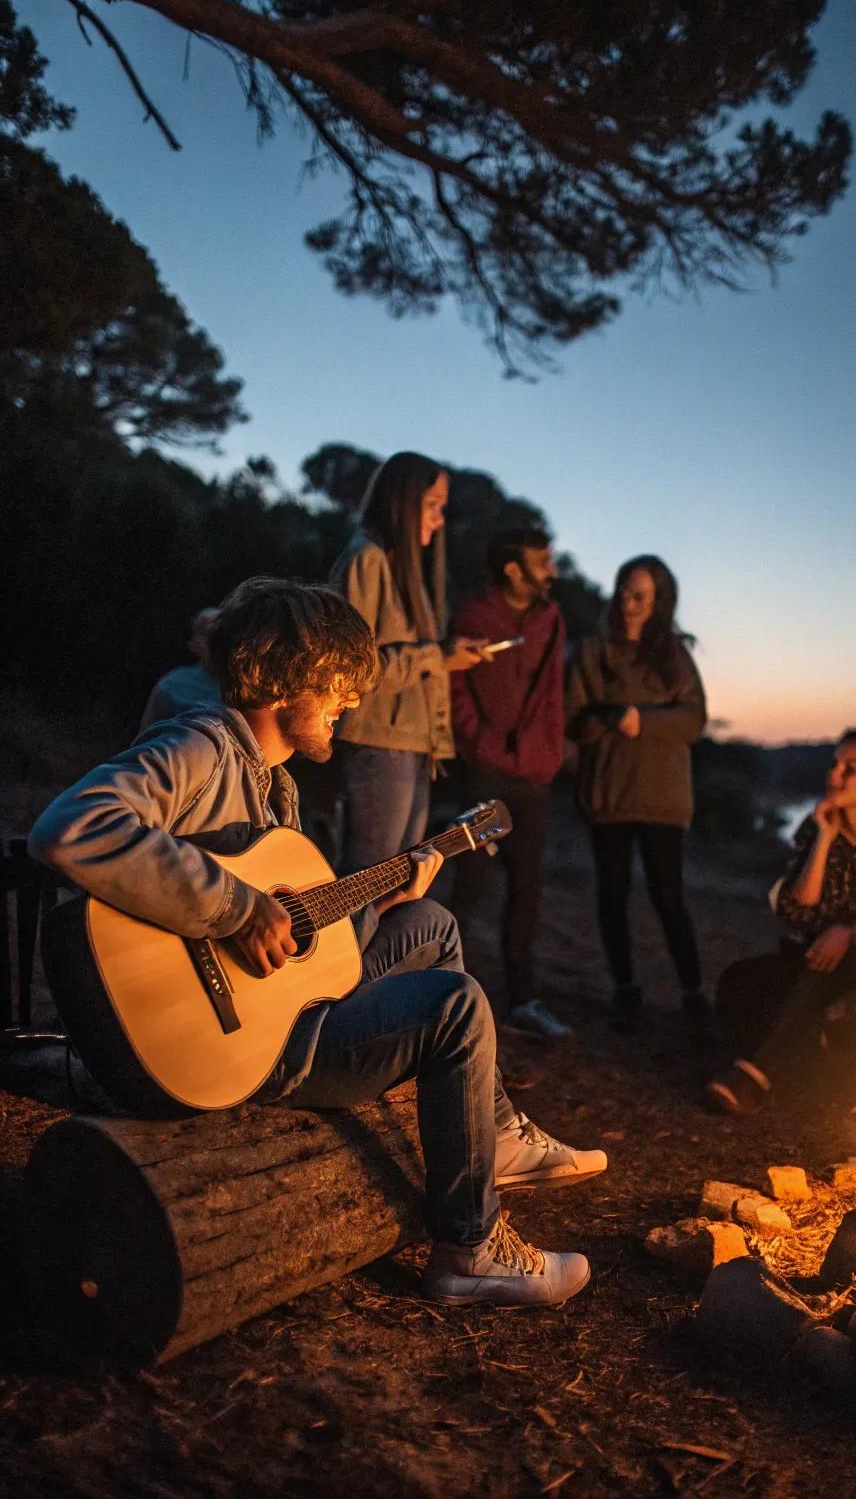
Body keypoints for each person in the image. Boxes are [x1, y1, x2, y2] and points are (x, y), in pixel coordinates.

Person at [30, 577, 605, 1307]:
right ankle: (469, 1247)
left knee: (429, 925)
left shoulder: (275, 787)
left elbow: (301, 946)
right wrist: (235, 906)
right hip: (223, 1043)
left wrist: (382, 893)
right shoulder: (203, 745)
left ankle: (497, 1135)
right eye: (339, 685)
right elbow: (71, 827)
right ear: (286, 680)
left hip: (274, 1008)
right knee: (455, 1007)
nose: (351, 703)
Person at [707, 726, 856, 1114]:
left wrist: (851, 932)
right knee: (739, 981)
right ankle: (796, 1061)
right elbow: (796, 911)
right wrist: (824, 840)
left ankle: (759, 1075)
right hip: (816, 955)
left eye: (852, 768)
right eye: (834, 764)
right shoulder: (816, 827)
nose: (835, 775)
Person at [324, 451, 490, 874]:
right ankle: (350, 944)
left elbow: (408, 662)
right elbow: (352, 671)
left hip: (413, 745)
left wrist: (451, 658)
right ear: (403, 501)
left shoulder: (405, 573)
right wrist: (436, 655)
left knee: (400, 883)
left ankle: (383, 944)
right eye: (433, 506)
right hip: (379, 746)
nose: (439, 520)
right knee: (366, 880)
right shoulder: (367, 560)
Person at [565, 555, 707, 1033]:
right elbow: (573, 720)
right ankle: (625, 990)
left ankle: (693, 993)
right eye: (624, 591)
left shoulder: (673, 655)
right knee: (612, 896)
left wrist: (642, 720)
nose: (628, 603)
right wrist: (605, 719)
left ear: (659, 601)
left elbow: (694, 720)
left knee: (670, 897)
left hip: (663, 799)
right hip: (609, 794)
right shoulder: (592, 650)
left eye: (640, 596)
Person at [449, 527, 570, 1039]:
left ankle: (523, 1000)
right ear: (512, 569)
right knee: (472, 882)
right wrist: (482, 746)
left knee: (527, 889)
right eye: (542, 561)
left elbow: (552, 695)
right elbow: (454, 687)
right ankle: (446, 990)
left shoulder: (552, 618)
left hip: (534, 775)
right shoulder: (475, 616)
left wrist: (549, 751)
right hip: (488, 769)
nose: (552, 570)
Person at [138, 607, 221, 730]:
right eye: (205, 631)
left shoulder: (246, 687)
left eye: (219, 631)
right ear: (193, 645)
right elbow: (145, 734)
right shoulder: (172, 685)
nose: (214, 638)